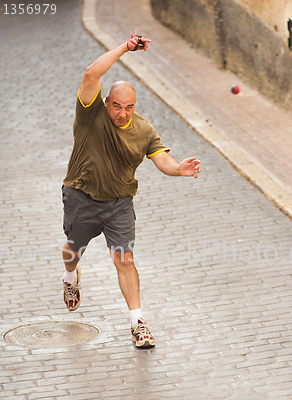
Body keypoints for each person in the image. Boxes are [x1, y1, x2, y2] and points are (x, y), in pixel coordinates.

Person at [61, 32, 201, 348]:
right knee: (72, 250)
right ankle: (70, 277)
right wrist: (126, 47)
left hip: (119, 204)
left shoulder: (143, 129)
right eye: (117, 106)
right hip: (81, 196)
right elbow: (91, 74)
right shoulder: (90, 114)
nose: (122, 113)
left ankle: (138, 324)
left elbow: (161, 159)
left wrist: (179, 169)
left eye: (129, 107)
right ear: (106, 102)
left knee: (124, 260)